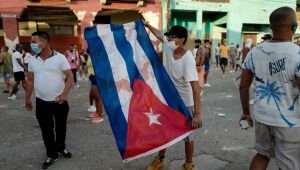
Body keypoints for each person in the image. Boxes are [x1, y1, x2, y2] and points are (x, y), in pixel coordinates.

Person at [239, 6, 300, 170]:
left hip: (262, 116)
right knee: (288, 164)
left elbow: (243, 86)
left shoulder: (254, 51)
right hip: (289, 122)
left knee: (262, 155)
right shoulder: (297, 54)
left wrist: (246, 112)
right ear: (293, 27)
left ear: (271, 27)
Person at [144, 23, 202, 170]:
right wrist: (147, 25)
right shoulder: (171, 47)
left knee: (188, 135)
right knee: (164, 130)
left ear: (182, 39)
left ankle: (189, 164)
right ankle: (160, 159)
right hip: (169, 99)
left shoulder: (188, 58)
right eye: (169, 37)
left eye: (172, 37)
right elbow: (159, 34)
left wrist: (197, 113)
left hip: (185, 102)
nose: (169, 39)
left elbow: (195, 87)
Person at [25, 31, 73, 169]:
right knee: (46, 130)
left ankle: (61, 148)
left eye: (34, 41)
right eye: (31, 41)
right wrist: (27, 98)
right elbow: (30, 79)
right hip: (41, 102)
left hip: (60, 102)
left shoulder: (60, 58)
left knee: (60, 127)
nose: (31, 44)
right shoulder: (33, 60)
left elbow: (69, 77)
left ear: (44, 43)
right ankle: (51, 154)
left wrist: (64, 94)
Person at [86, 49, 104, 123]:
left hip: (97, 77)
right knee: (93, 95)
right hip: (92, 77)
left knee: (97, 97)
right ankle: (97, 112)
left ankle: (100, 116)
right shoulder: (90, 56)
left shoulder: (97, 55)